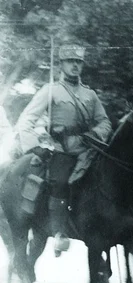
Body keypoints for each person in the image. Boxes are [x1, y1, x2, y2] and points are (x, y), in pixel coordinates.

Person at [14, 44, 112, 256]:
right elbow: (26, 120)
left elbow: (104, 122)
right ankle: (59, 232)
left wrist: (95, 134)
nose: (75, 66)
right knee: (59, 182)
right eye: (71, 62)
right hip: (61, 151)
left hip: (88, 151)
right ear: (61, 65)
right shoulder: (51, 90)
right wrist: (35, 146)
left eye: (78, 62)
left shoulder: (90, 95)